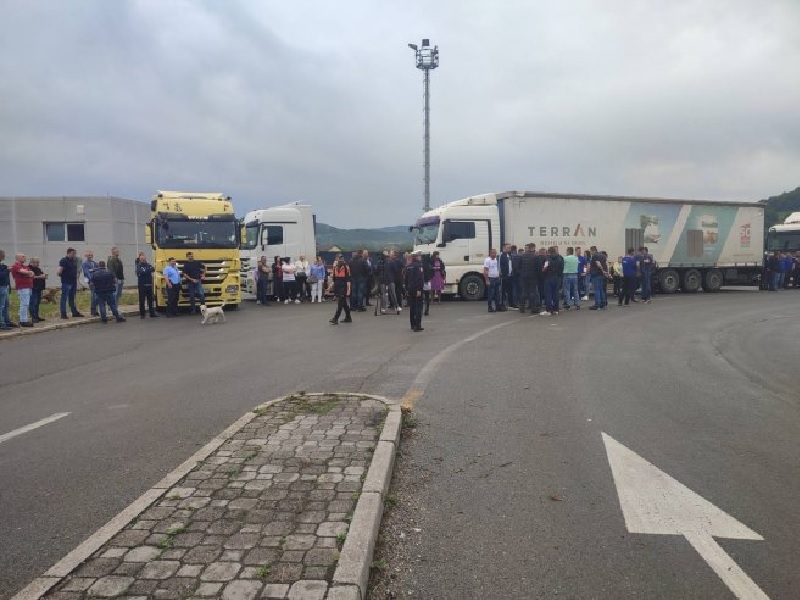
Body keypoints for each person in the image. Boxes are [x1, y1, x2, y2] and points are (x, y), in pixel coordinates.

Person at [10, 253, 35, 327]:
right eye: (23, 256)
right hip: (22, 287)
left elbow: (32, 273)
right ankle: (23, 320)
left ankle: (24, 319)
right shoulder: (15, 266)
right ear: (18, 258)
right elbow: (23, 272)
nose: (25, 258)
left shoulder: (25, 266)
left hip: (28, 286)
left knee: (25, 304)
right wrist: (28, 273)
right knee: (24, 304)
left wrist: (28, 272)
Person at [58, 248, 83, 318]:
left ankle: (74, 312)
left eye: (75, 253)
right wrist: (61, 274)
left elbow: (79, 263)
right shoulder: (64, 260)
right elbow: (60, 271)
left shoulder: (73, 261)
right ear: (69, 253)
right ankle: (63, 313)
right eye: (73, 253)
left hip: (73, 282)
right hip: (66, 282)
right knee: (64, 298)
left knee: (72, 298)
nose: (74, 255)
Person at [328, 255, 352, 324]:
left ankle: (335, 318)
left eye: (340, 259)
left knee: (340, 303)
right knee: (344, 303)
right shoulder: (335, 268)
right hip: (338, 287)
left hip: (343, 287)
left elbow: (348, 280)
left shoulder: (346, 268)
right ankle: (348, 317)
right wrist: (330, 286)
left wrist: (348, 290)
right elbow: (334, 279)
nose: (339, 261)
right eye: (338, 259)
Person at [541, 246, 564, 316]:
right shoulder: (560, 258)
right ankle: (556, 310)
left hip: (548, 278)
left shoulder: (547, 259)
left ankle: (549, 310)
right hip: (557, 278)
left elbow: (544, 269)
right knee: (556, 294)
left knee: (548, 294)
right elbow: (561, 269)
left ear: (549, 251)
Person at [518, 243, 540, 314]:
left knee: (524, 292)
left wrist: (522, 273)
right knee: (532, 292)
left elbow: (519, 266)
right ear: (533, 247)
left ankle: (521, 308)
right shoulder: (535, 257)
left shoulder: (522, 256)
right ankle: (532, 308)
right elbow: (538, 268)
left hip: (524, 276)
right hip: (533, 276)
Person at [406, 251, 425, 331]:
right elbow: (419, 279)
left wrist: (406, 289)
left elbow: (406, 279)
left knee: (412, 307)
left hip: (410, 289)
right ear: (416, 257)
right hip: (417, 289)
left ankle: (412, 324)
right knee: (418, 307)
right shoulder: (419, 266)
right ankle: (418, 325)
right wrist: (419, 289)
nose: (420, 257)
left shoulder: (409, 266)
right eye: (419, 256)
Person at [135, 253, 159, 318]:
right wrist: (148, 270)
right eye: (142, 259)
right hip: (142, 286)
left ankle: (152, 313)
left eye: (144, 258)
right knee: (142, 300)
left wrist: (146, 270)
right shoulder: (138, 266)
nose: (143, 260)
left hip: (149, 285)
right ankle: (142, 314)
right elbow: (140, 272)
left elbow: (153, 269)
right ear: (139, 259)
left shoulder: (148, 264)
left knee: (151, 300)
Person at [589, 246, 609, 310]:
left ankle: (597, 304)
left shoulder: (595, 256)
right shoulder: (603, 255)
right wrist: (605, 272)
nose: (590, 253)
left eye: (591, 251)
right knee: (601, 289)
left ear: (593, 250)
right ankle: (603, 303)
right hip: (601, 275)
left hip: (596, 274)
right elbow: (606, 264)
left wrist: (602, 270)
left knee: (597, 290)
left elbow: (598, 264)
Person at [28, 257, 47, 322]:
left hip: (39, 288)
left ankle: (36, 316)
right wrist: (40, 276)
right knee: (33, 302)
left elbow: (41, 274)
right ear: (32, 262)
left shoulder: (38, 269)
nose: (38, 264)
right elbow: (31, 277)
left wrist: (44, 275)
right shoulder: (29, 269)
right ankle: (33, 317)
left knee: (37, 303)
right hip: (33, 287)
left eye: (38, 262)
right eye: (37, 262)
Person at [82, 250, 99, 316]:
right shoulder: (85, 263)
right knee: (93, 296)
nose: (90, 256)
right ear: (86, 256)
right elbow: (86, 272)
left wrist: (92, 270)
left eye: (91, 255)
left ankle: (96, 310)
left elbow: (98, 270)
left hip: (97, 281)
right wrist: (91, 280)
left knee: (97, 296)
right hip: (91, 281)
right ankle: (93, 310)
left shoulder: (95, 263)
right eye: (89, 255)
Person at [484, 248, 501, 312]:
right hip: (491, 278)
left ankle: (497, 306)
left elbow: (497, 268)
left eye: (495, 253)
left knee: (497, 293)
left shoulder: (496, 260)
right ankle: (490, 307)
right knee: (491, 294)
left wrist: (499, 274)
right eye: (493, 253)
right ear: (490, 253)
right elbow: (485, 270)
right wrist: (487, 280)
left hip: (496, 278)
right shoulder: (487, 260)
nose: (495, 254)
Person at [499, 244, 515, 309]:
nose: (509, 249)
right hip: (505, 276)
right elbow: (500, 265)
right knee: (503, 290)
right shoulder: (502, 256)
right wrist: (501, 273)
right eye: (508, 248)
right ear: (504, 248)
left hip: (510, 275)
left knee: (510, 290)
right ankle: (503, 303)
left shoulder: (510, 256)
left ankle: (511, 304)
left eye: (510, 248)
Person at [0, 250, 12, 330]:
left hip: (5, 286)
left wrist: (9, 286)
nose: (4, 256)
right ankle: (2, 323)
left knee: (6, 306)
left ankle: (7, 322)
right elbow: (1, 276)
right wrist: (7, 270)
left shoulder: (2, 265)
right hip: (1, 287)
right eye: (3, 254)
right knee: (1, 306)